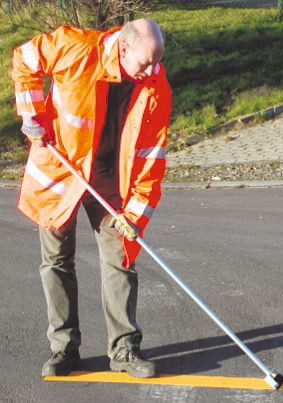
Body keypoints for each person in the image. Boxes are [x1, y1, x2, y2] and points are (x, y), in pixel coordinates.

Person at [12, 18, 171, 378]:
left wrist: (135, 211)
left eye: (157, 61)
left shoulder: (155, 83)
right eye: (146, 62)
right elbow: (24, 59)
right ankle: (63, 350)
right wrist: (31, 113)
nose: (152, 70)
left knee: (121, 256)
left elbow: (151, 154)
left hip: (110, 177)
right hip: (60, 170)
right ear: (124, 48)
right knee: (56, 260)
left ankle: (124, 350)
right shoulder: (75, 47)